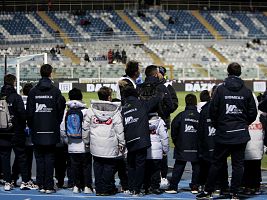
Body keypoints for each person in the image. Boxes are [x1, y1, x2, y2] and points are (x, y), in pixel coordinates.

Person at [197, 62, 257, 199]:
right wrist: (243, 124)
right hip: (240, 133)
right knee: (238, 165)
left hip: (224, 132)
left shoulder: (220, 90)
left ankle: (208, 191)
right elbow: (253, 113)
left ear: (228, 72)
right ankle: (234, 193)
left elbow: (213, 110)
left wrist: (219, 125)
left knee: (216, 163)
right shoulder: (246, 91)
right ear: (240, 73)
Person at [27, 64, 66, 194]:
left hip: (37, 130)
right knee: (49, 158)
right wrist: (55, 123)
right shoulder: (55, 91)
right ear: (50, 73)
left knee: (39, 159)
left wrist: (33, 126)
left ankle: (41, 184)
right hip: (51, 130)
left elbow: (29, 113)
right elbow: (61, 110)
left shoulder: (33, 92)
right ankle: (48, 186)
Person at [84, 86, 125, 196]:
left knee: (98, 166)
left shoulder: (91, 110)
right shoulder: (115, 112)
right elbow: (119, 130)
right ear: (109, 97)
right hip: (110, 144)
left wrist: (86, 141)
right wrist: (122, 142)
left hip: (95, 144)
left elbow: (85, 128)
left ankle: (99, 188)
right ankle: (106, 189)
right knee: (109, 166)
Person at [121, 87, 160, 196]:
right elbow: (155, 100)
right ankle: (136, 190)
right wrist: (160, 90)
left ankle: (131, 187)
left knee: (131, 165)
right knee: (140, 165)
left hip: (129, 140)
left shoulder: (123, 109)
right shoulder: (141, 104)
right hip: (141, 140)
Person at [0, 74, 32, 191]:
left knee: (5, 157)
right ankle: (24, 181)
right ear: (14, 82)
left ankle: (7, 182)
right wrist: (22, 126)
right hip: (16, 131)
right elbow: (22, 115)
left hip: (2, 132)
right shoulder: (16, 97)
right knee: (21, 156)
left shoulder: (1, 96)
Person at [60, 88, 93, 194]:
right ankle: (87, 186)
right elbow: (88, 128)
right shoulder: (86, 111)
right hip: (84, 145)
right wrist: (88, 141)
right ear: (81, 97)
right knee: (86, 166)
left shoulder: (67, 112)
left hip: (71, 145)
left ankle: (76, 186)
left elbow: (63, 129)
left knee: (74, 166)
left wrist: (67, 140)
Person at [165, 94, 200, 194]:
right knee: (197, 167)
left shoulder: (180, 116)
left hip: (182, 146)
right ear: (195, 103)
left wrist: (177, 142)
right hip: (196, 146)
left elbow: (173, 129)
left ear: (186, 102)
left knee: (178, 167)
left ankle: (173, 187)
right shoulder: (200, 116)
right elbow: (203, 132)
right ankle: (195, 187)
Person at [197, 85, 229, 194]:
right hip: (221, 140)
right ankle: (222, 187)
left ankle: (207, 186)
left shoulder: (205, 109)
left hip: (208, 141)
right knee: (222, 164)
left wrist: (200, 145)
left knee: (208, 165)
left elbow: (200, 130)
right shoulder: (225, 107)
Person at [158, 66, 178, 189]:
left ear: (162, 74)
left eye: (158, 73)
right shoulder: (149, 85)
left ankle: (163, 175)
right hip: (149, 123)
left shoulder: (168, 87)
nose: (156, 74)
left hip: (163, 122)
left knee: (162, 150)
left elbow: (174, 104)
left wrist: (163, 112)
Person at [242, 94, 264, 195]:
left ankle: (247, 186)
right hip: (257, 148)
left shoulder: (242, 115)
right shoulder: (261, 116)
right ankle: (255, 186)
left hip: (247, 147)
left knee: (247, 168)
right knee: (255, 167)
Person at [144, 113, 169, 194]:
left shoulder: (142, 119)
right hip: (157, 151)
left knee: (146, 169)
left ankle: (146, 187)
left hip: (145, 148)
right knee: (156, 170)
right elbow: (164, 136)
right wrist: (165, 149)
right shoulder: (160, 121)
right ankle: (155, 187)